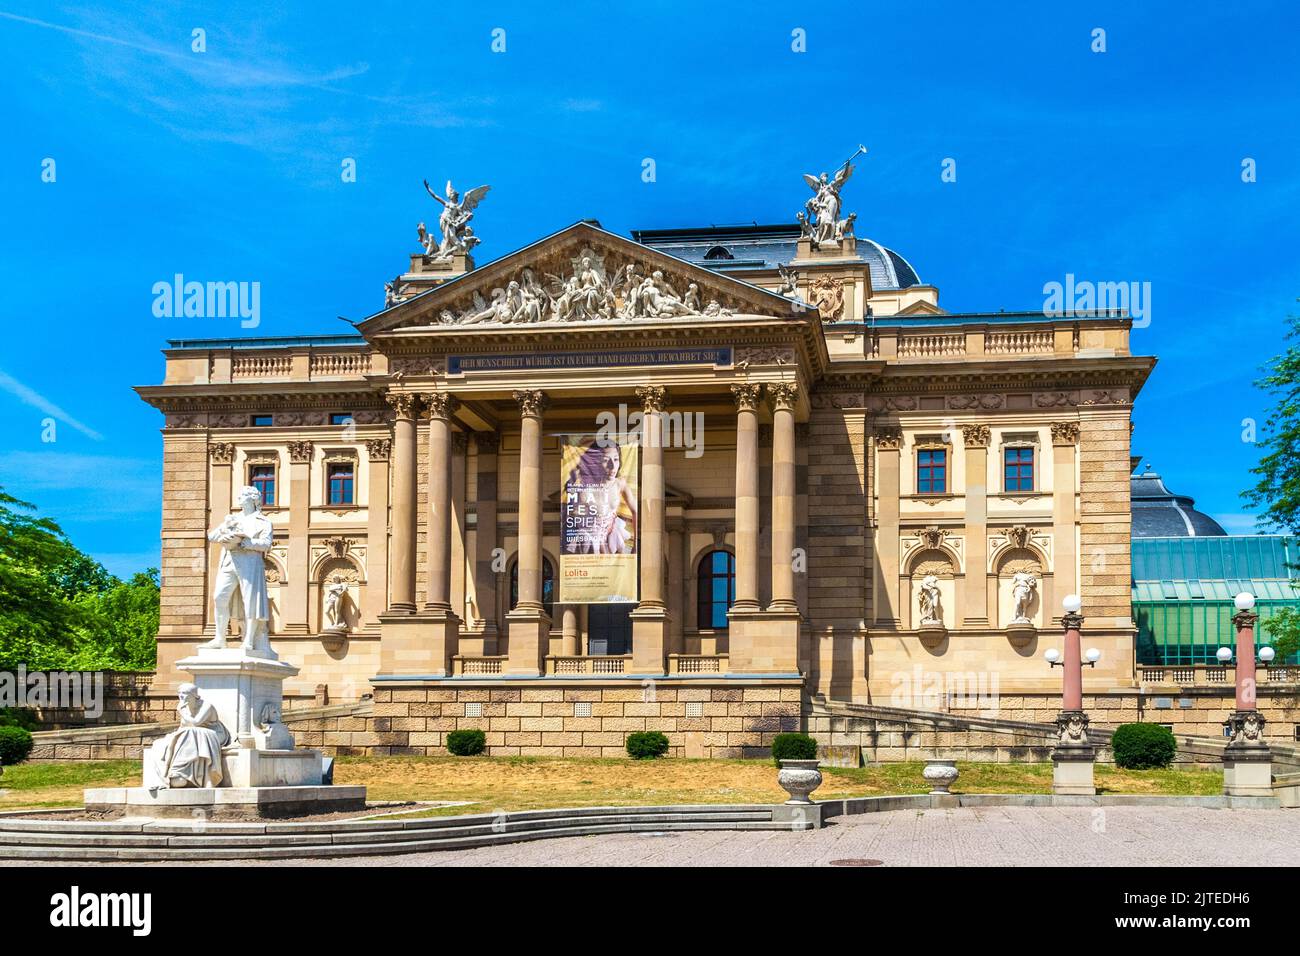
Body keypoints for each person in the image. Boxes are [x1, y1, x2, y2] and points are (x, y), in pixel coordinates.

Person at [149, 684, 230, 789]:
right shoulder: (185, 707)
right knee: (159, 744)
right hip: (191, 734)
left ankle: (181, 772)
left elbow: (196, 723)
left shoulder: (206, 706)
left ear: (194, 695)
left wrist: (181, 712)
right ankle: (164, 778)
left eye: (184, 693)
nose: (181, 696)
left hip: (215, 733)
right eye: (180, 693)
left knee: (190, 732)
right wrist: (174, 738)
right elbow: (183, 727)